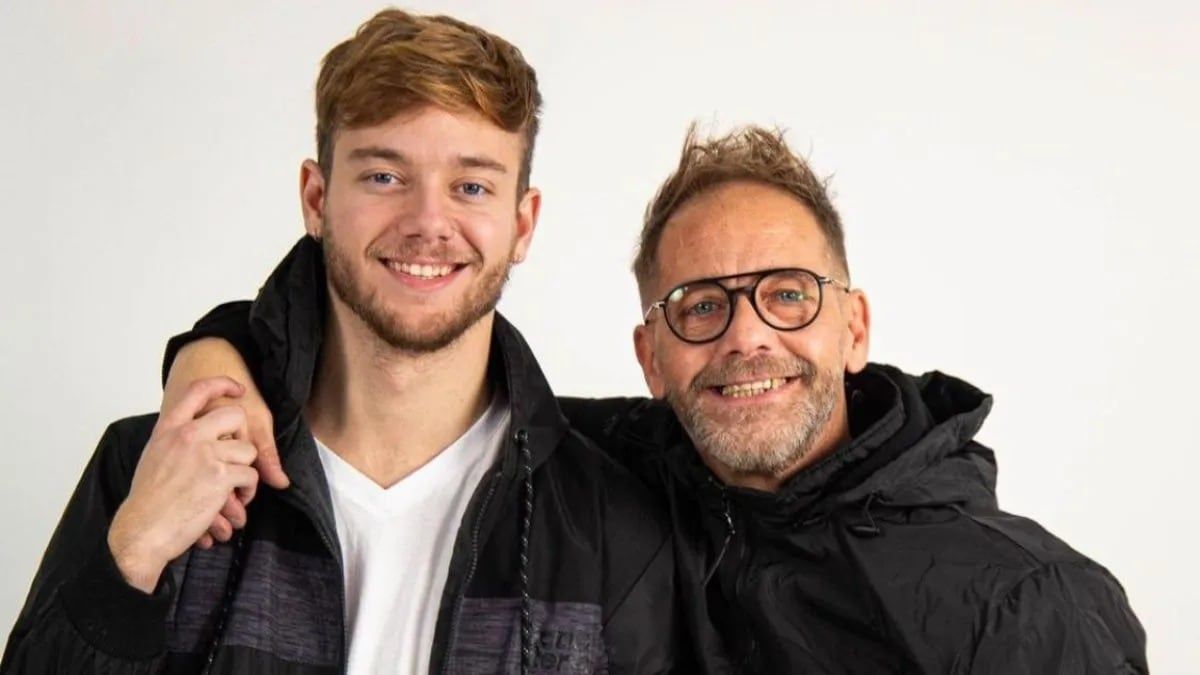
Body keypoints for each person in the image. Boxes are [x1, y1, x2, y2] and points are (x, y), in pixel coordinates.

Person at [155, 124, 1149, 673]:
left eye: (788, 294)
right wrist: (219, 353)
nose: (748, 335)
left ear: (854, 328)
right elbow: (413, 371)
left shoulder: (1029, 605)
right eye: (701, 306)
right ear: (652, 356)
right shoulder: (619, 472)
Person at [1, 10, 685, 675]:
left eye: (471, 185)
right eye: (383, 176)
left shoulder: (608, 527)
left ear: (523, 223)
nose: (427, 221)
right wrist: (135, 550)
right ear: (316, 197)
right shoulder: (150, 466)